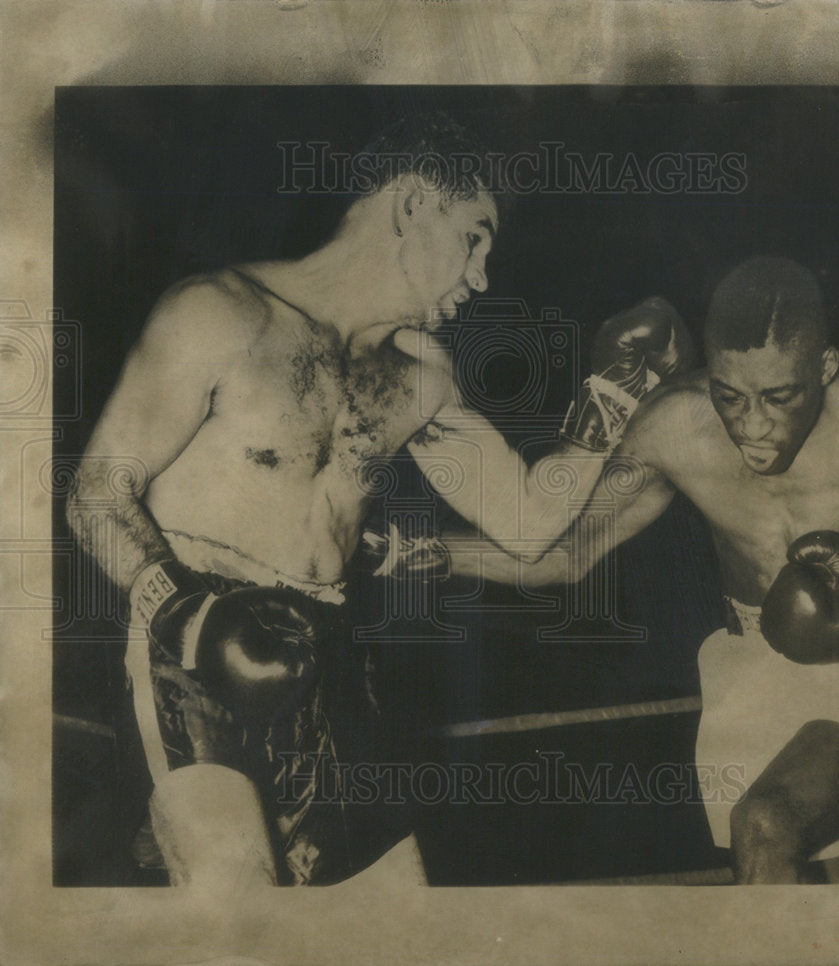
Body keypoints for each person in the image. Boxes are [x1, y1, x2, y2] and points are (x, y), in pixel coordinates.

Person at [66, 113, 692, 887]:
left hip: (330, 659)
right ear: (412, 203)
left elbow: (530, 524)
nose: (482, 276)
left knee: (394, 923)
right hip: (189, 647)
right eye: (474, 239)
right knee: (238, 906)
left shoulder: (419, 376)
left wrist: (612, 396)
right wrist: (186, 616)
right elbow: (96, 493)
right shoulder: (220, 314)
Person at [439, 256, 839, 883]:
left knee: (766, 826)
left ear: (825, 366)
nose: (752, 423)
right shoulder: (674, 426)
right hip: (747, 672)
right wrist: (412, 551)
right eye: (730, 395)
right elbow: (565, 554)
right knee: (837, 911)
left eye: (779, 396)